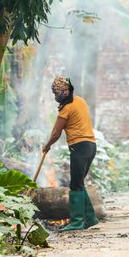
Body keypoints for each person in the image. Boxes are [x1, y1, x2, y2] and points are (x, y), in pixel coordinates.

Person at [42, 75, 99, 232]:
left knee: (75, 185)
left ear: (66, 91)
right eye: (55, 93)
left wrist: (47, 145)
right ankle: (90, 218)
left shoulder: (66, 109)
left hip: (79, 146)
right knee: (79, 183)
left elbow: (55, 133)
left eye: (58, 93)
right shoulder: (80, 100)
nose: (56, 96)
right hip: (91, 146)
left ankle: (77, 221)